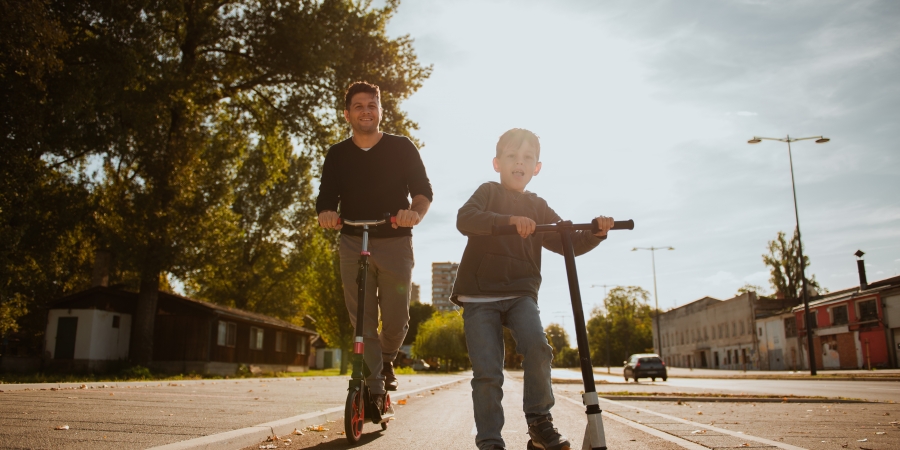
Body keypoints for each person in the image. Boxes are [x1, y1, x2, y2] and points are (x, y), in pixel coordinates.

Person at [450, 128, 613, 450]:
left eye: (527, 157)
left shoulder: (538, 206)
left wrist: (596, 233)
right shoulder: (487, 192)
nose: (519, 162)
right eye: (511, 156)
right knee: (488, 373)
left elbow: (567, 241)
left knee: (539, 348)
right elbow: (465, 219)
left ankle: (539, 423)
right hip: (479, 294)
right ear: (497, 163)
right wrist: (509, 220)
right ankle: (489, 440)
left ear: (537, 167)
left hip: (521, 293)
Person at [316, 81, 433, 409]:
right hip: (352, 239)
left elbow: (423, 191)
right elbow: (327, 196)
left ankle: (385, 358)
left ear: (381, 111)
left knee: (397, 319)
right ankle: (374, 386)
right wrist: (326, 213)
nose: (365, 111)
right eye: (358, 106)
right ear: (347, 114)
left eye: (371, 105)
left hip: (395, 239)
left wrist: (414, 214)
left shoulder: (401, 147)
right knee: (362, 319)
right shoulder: (337, 154)